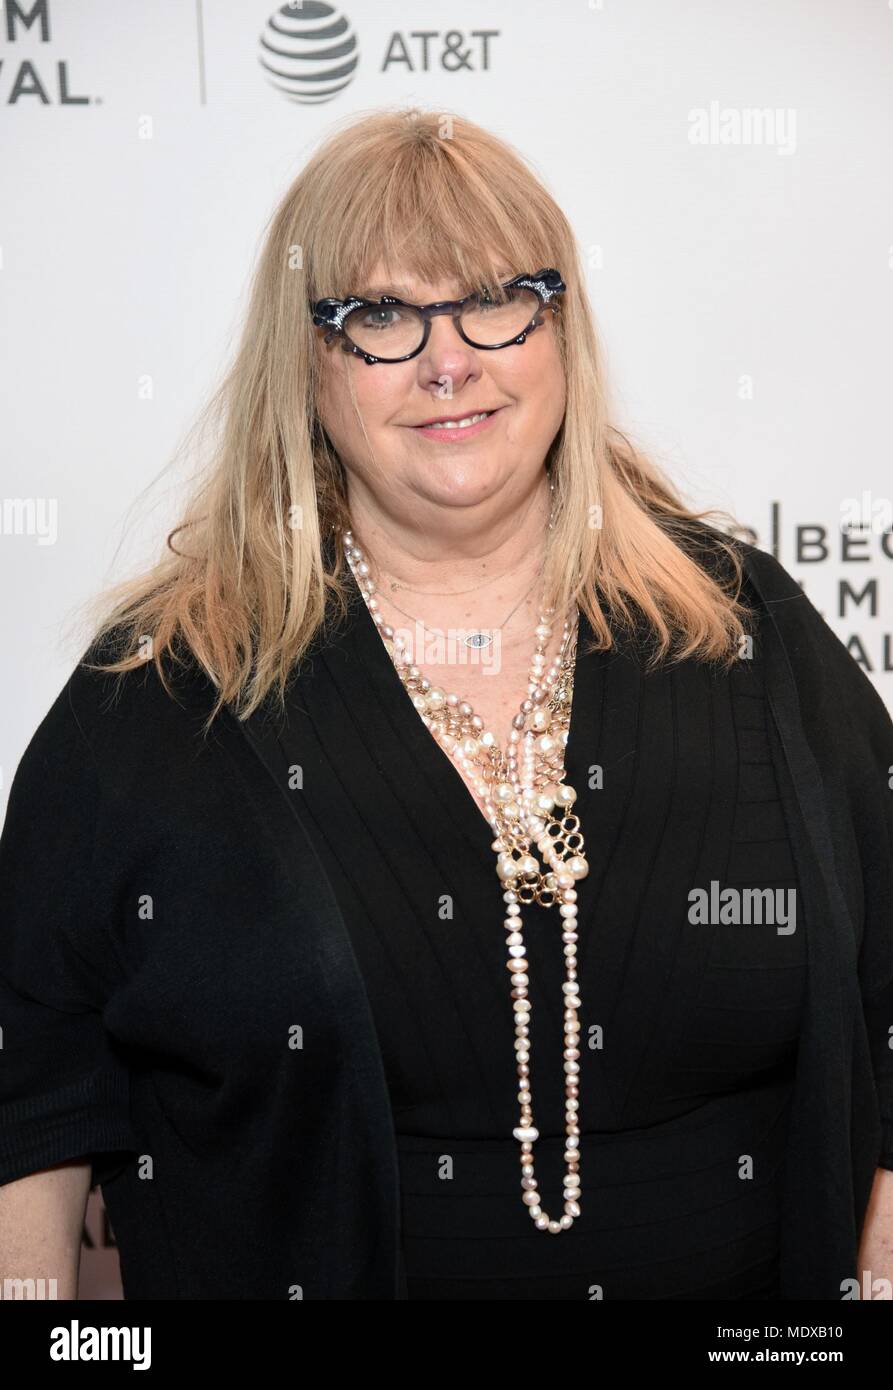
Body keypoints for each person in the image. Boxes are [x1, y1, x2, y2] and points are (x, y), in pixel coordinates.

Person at [1, 107, 891, 1302]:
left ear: (559, 329)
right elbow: (33, 1087)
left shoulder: (741, 627)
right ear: (303, 362)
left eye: (494, 296)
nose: (448, 358)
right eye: (378, 315)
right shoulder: (167, 683)